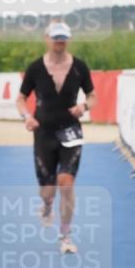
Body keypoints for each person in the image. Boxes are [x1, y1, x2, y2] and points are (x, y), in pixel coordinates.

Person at [15, 21, 97, 255]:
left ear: (68, 39)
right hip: (43, 133)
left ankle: (66, 235)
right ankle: (47, 204)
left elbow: (92, 96)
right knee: (48, 190)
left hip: (71, 130)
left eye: (63, 38)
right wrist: (27, 117)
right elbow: (20, 99)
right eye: (56, 37)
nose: (59, 42)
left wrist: (84, 106)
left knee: (66, 183)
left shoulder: (79, 67)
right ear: (47, 38)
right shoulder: (35, 68)